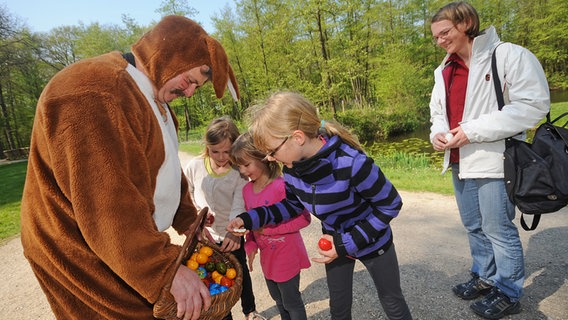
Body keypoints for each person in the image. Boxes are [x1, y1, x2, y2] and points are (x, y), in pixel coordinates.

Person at [20, 16, 240, 320]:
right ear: (171, 54)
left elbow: (165, 171)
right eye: (190, 80)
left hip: (118, 247)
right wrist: (163, 270)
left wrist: (187, 218)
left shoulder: (154, 101)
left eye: (196, 87)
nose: (189, 92)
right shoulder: (94, 91)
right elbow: (105, 204)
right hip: (83, 253)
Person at [226, 91, 413, 320]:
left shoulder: (352, 163)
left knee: (391, 301)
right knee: (339, 307)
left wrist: (349, 242)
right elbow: (291, 207)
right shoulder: (292, 169)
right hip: (335, 242)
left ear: (297, 137)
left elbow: (390, 203)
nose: (271, 159)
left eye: (272, 152)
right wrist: (249, 218)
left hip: (373, 241)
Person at [428, 2, 550, 319]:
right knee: (473, 226)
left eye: (445, 33)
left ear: (466, 23)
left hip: (496, 161)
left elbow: (532, 105)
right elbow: (438, 114)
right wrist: (438, 134)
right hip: (458, 160)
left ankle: (508, 292)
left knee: (498, 229)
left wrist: (471, 131)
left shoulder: (508, 55)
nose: (440, 41)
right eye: (436, 37)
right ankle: (485, 277)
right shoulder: (444, 70)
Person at [184, 117, 265, 320]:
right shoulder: (195, 166)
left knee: (240, 273)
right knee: (214, 277)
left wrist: (235, 232)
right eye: (215, 151)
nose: (221, 157)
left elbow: (239, 203)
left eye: (227, 151)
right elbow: (187, 194)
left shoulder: (238, 173)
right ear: (207, 147)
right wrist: (198, 216)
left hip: (232, 236)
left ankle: (250, 310)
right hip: (206, 237)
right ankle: (223, 313)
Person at [231, 131, 311, 320]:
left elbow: (304, 219)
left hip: (287, 255)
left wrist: (268, 230)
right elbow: (251, 224)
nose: (242, 171)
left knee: (292, 302)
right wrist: (250, 245)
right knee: (278, 299)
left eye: (246, 164)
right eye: (239, 166)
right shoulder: (247, 191)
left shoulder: (282, 186)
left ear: (263, 158)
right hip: (268, 259)